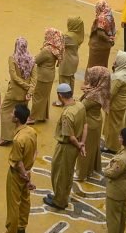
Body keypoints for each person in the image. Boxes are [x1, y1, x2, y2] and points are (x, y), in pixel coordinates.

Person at [43, 83, 86, 211]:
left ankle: (59, 201)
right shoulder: (80, 105)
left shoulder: (67, 114)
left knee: (60, 174)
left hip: (66, 147)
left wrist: (78, 145)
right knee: (68, 173)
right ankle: (61, 196)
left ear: (60, 96)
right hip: (76, 144)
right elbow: (85, 125)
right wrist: (82, 144)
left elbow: (71, 137)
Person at [3, 104, 37, 233]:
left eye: (13, 113)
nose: (11, 114)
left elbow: (18, 162)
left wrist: (24, 175)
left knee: (14, 205)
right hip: (27, 171)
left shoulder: (18, 139)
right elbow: (35, 152)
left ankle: (11, 230)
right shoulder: (32, 132)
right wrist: (28, 172)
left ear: (17, 118)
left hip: (17, 175)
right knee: (25, 202)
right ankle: (21, 227)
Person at [76, 66, 110, 182]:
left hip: (89, 124)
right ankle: (91, 169)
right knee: (92, 148)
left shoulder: (93, 95)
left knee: (84, 149)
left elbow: (80, 107)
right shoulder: (101, 89)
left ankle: (81, 173)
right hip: (96, 121)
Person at [0, 38, 34, 144]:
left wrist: (26, 86)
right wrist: (29, 91)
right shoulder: (32, 60)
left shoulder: (13, 59)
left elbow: (14, 77)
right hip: (25, 95)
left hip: (14, 93)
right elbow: (34, 79)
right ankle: (19, 135)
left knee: (5, 110)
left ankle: (5, 137)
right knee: (21, 115)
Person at [103, 51, 126, 153]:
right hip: (123, 101)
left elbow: (111, 93)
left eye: (117, 60)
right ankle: (115, 144)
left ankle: (112, 146)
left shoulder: (119, 77)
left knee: (113, 126)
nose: (115, 61)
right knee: (118, 124)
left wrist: (105, 102)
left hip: (115, 103)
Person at [29, 28, 62, 124]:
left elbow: (36, 60)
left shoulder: (47, 50)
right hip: (50, 75)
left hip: (42, 76)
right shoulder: (55, 48)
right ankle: (42, 115)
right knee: (45, 96)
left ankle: (33, 117)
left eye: (46, 34)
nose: (45, 36)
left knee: (37, 96)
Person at [57, 16, 85, 93]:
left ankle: (64, 98)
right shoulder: (78, 35)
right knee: (71, 80)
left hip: (67, 61)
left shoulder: (69, 36)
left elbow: (57, 43)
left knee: (64, 82)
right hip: (74, 59)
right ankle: (70, 96)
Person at [88, 0, 116, 69]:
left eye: (96, 8)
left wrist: (108, 39)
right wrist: (110, 40)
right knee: (103, 65)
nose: (96, 10)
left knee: (93, 66)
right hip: (106, 46)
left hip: (98, 46)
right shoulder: (109, 15)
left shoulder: (101, 17)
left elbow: (100, 33)